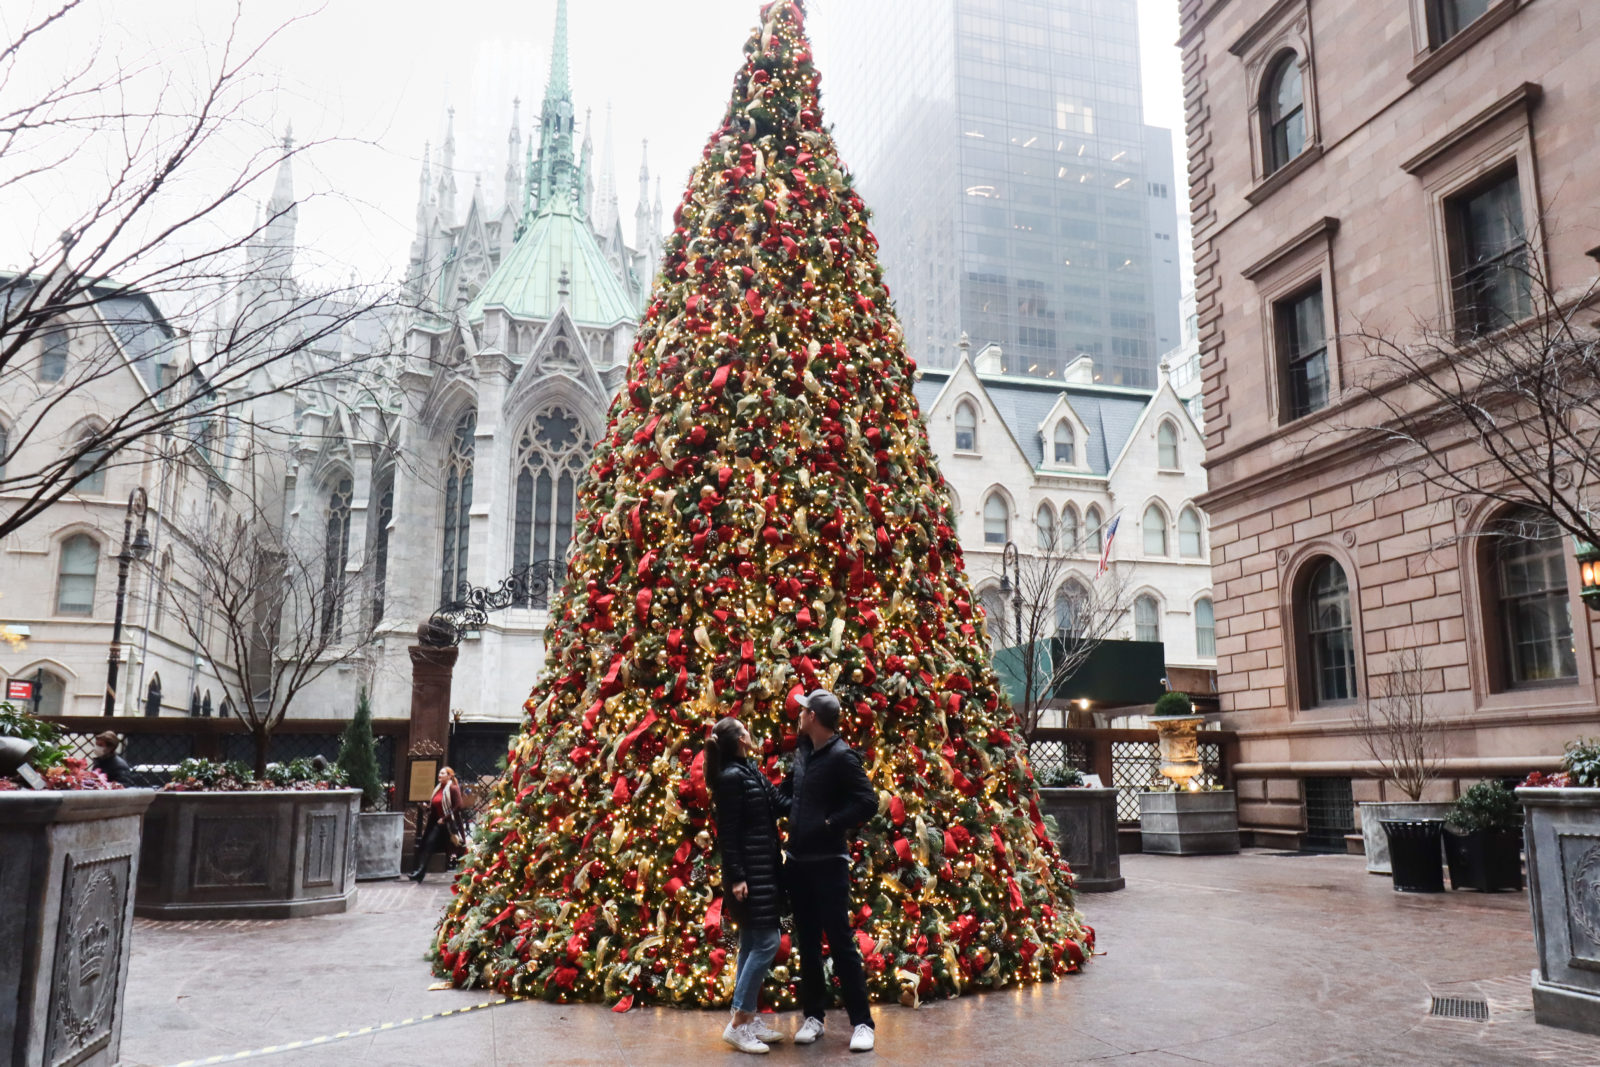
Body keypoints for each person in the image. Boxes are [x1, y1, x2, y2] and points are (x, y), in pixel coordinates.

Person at [781, 689, 880, 1053]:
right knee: (807, 943)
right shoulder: (803, 752)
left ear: (814, 717)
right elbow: (790, 794)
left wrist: (829, 823)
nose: (799, 713)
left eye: (804, 709)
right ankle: (814, 1017)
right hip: (799, 863)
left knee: (839, 941)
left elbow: (868, 801)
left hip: (829, 864)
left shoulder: (841, 756)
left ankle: (863, 1024)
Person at [707, 716, 791, 1054]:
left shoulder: (748, 770)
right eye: (746, 728)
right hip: (749, 875)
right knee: (768, 941)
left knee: (753, 941)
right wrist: (738, 877)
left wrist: (801, 777)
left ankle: (747, 1016)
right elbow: (727, 834)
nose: (750, 730)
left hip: (763, 869)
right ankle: (739, 1023)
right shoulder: (730, 778)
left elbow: (778, 804)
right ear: (740, 738)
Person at [410, 766, 465, 883]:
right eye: (439, 773)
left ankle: (463, 875)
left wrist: (446, 818)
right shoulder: (438, 788)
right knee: (428, 844)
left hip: (450, 824)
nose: (440, 775)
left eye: (443, 773)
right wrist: (428, 807)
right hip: (438, 824)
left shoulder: (453, 788)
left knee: (459, 848)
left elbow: (458, 806)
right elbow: (436, 805)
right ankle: (420, 872)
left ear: (450, 776)